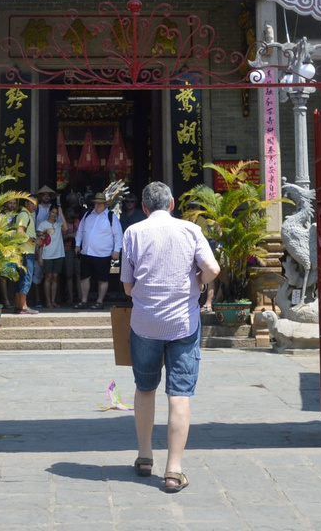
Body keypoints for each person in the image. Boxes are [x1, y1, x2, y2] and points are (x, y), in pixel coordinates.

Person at [120, 181, 218, 494]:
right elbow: (212, 268)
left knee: (145, 388)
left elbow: (127, 286)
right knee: (179, 394)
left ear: (145, 208)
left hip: (145, 324)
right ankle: (173, 470)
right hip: (183, 325)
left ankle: (145, 456)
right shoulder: (190, 230)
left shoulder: (133, 232)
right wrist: (200, 283)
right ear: (172, 204)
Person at [74, 191, 123, 309]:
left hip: (103, 254)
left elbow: (118, 235)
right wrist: (77, 245)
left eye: (101, 203)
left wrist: (116, 250)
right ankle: (84, 300)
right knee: (84, 277)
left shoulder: (111, 217)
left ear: (105, 204)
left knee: (102, 278)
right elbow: (80, 231)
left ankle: (99, 301)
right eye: (97, 203)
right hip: (87, 252)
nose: (98, 205)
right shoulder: (87, 215)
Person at [34, 187, 66, 309]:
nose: (54, 214)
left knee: (55, 277)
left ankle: (53, 301)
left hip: (58, 253)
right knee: (47, 277)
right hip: (47, 253)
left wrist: (61, 212)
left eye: (55, 213)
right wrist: (40, 255)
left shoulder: (58, 224)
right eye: (53, 212)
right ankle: (47, 301)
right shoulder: (42, 224)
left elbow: (65, 228)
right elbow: (41, 241)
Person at [9, 193, 40, 315]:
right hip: (26, 251)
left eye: (35, 204)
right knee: (26, 278)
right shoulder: (24, 214)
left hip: (26, 251)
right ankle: (23, 306)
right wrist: (34, 240)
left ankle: (18, 306)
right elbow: (20, 233)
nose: (34, 206)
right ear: (25, 203)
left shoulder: (28, 215)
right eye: (31, 203)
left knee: (21, 278)